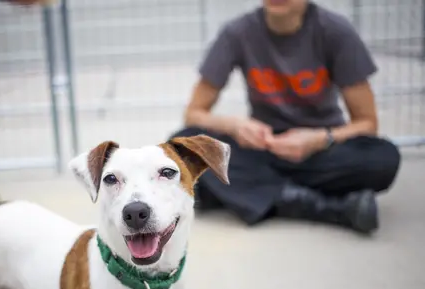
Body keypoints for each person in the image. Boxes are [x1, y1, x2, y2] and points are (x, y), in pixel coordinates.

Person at [169, 0, 401, 235]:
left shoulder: (336, 31)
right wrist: (235, 125)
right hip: (263, 147)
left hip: (320, 151)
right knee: (184, 146)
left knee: (384, 158)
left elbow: (367, 123)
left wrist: (321, 138)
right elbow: (194, 113)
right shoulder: (237, 32)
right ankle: (326, 206)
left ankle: (254, 191)